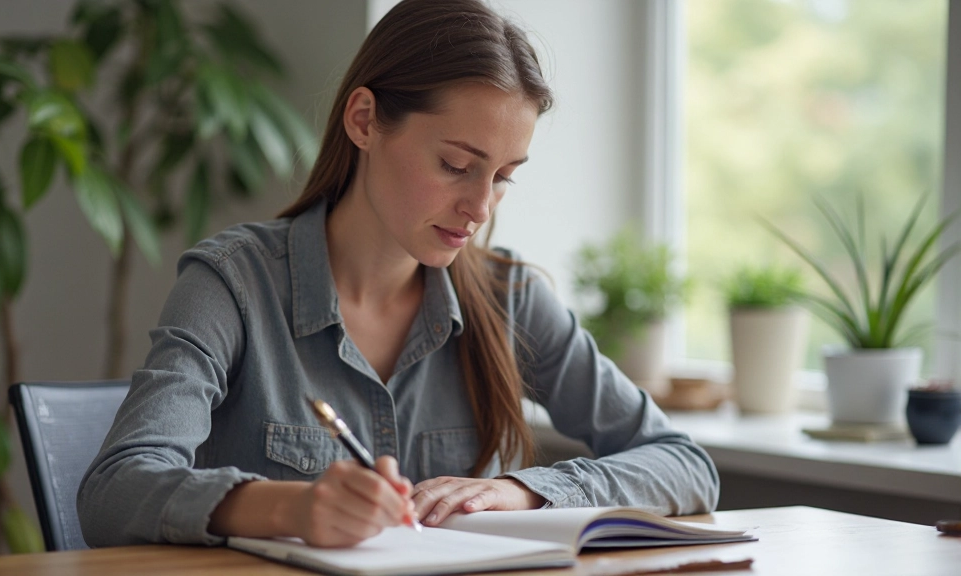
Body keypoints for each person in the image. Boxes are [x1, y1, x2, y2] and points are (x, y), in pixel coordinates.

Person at [77, 0, 719, 549]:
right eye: (455, 164)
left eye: (502, 177)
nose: (481, 208)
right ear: (364, 121)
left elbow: (686, 464)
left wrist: (524, 490)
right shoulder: (232, 285)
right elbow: (115, 490)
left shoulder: (509, 298)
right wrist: (292, 508)